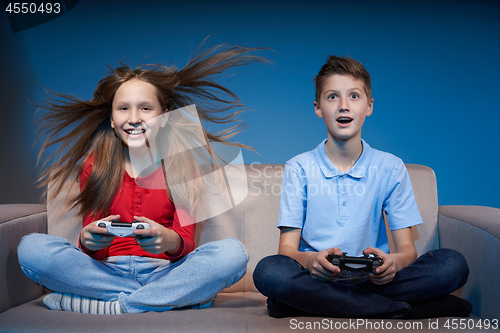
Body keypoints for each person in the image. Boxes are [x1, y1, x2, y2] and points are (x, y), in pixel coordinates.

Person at [17, 42, 268, 314]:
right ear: (112, 119)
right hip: (104, 271)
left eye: (146, 109)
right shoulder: (96, 165)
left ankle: (116, 306)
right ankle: (166, 300)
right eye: (123, 109)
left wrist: (167, 240)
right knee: (31, 249)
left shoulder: (184, 166)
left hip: (164, 272)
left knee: (233, 254)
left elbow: (185, 241)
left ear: (163, 117)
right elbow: (92, 243)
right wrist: (88, 241)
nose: (134, 118)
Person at [253, 55, 472, 319]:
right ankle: (393, 309)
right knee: (269, 271)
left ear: (369, 106)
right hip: (319, 278)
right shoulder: (299, 167)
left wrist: (393, 263)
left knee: (452, 264)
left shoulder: (390, 167)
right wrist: (312, 262)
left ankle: (299, 304)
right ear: (318, 108)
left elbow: (407, 251)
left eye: (354, 96)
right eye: (332, 97)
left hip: (371, 276)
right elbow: (286, 251)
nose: (343, 106)